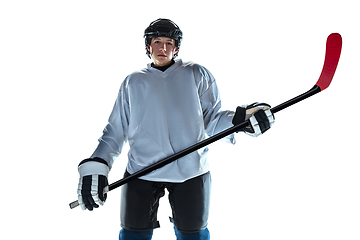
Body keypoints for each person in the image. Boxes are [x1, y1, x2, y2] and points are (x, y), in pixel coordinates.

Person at [77, 18, 275, 240]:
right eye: (157, 41)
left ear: (176, 47)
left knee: (193, 235)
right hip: (141, 170)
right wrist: (97, 164)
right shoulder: (133, 82)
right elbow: (115, 131)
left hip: (191, 171)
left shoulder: (197, 74)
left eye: (169, 43)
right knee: (132, 234)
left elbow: (212, 120)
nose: (163, 48)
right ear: (148, 46)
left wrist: (240, 121)